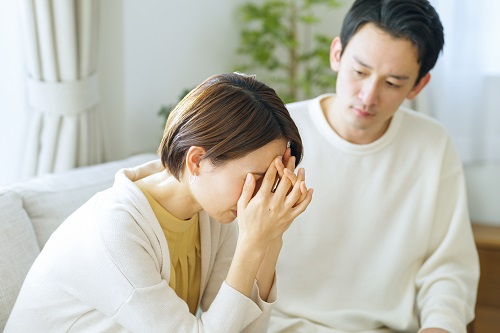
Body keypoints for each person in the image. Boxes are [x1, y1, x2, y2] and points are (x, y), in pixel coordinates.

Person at [5, 73, 313, 332]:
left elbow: (243, 328)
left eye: (271, 181)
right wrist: (253, 242)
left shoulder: (211, 212)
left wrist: (271, 238)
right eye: (256, 178)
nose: (262, 196)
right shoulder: (114, 231)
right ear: (197, 161)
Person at [269, 1, 480, 332]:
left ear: (418, 86)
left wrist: (440, 325)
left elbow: (448, 268)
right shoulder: (275, 134)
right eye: (360, 72)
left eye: (393, 83)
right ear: (337, 53)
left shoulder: (432, 145)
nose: (368, 96)